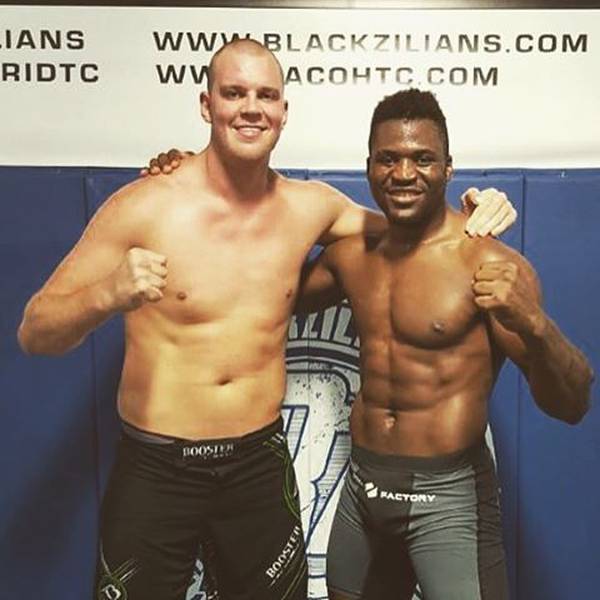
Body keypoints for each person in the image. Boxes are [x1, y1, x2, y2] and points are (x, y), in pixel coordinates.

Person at [17, 40, 516, 600]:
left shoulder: (311, 206)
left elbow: (417, 226)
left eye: (265, 95)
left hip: (256, 464)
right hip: (157, 467)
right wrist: (107, 293)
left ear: (283, 111)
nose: (251, 108)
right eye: (234, 93)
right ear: (207, 104)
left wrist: (479, 208)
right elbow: (36, 330)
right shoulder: (145, 205)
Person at [294, 88, 594, 600]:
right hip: (364, 487)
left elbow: (572, 405)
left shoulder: (488, 263)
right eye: (388, 158)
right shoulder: (351, 255)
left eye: (422, 159)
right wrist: (204, 180)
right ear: (369, 167)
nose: (403, 173)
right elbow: (264, 295)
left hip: (448, 497)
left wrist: (535, 324)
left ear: (449, 169)